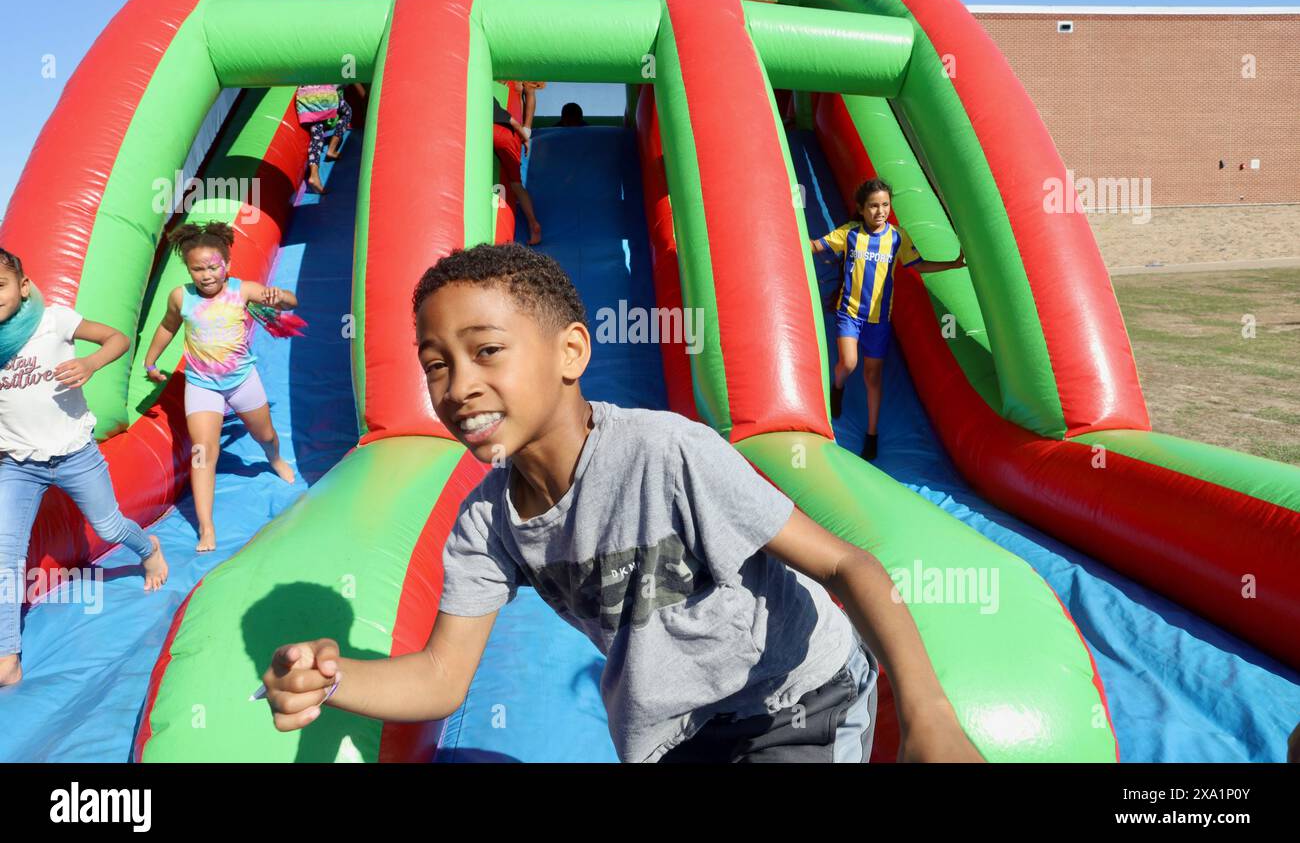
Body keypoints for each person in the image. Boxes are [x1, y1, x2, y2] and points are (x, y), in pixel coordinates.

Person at [259, 243, 983, 764]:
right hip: (674, 733)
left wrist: (928, 713)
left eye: (485, 352)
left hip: (793, 699)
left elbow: (845, 564)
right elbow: (442, 678)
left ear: (571, 352)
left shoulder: (666, 453)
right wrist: (334, 678)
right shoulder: (486, 524)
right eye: (436, 365)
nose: (457, 387)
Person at [0, 248, 168, 687]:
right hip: (17, 462)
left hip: (74, 452)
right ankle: (6, 654)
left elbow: (117, 338)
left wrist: (90, 364)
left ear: (22, 285)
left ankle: (148, 549)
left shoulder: (54, 320)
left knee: (110, 526)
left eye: (0, 286)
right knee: (4, 557)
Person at [140, 222, 298, 552]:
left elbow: (291, 302)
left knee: (265, 435)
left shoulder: (241, 291)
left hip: (241, 381)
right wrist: (151, 362)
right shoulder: (181, 297)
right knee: (202, 452)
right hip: (202, 385)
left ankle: (275, 459)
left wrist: (278, 296)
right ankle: (207, 527)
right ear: (188, 268)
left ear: (226, 264)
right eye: (198, 269)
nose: (207, 275)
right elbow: (168, 327)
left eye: (213, 266)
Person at [810, 178, 965, 461]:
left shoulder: (897, 237)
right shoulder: (850, 234)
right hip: (850, 313)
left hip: (879, 320)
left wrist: (952, 264)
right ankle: (838, 386)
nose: (880, 211)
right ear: (861, 208)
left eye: (885, 205)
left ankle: (872, 434)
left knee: (872, 376)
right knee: (849, 362)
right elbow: (815, 246)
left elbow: (919, 265)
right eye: (873, 206)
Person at [492, 81, 544, 246]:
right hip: (512, 136)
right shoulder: (497, 98)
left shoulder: (480, 95)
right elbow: (514, 121)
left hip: (493, 131)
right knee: (516, 184)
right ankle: (533, 223)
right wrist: (525, 135)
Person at [295, 83, 365, 194]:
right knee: (347, 112)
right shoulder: (343, 68)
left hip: (306, 97)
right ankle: (332, 149)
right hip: (324, 95)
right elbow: (353, 80)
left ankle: (314, 175)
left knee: (317, 133)